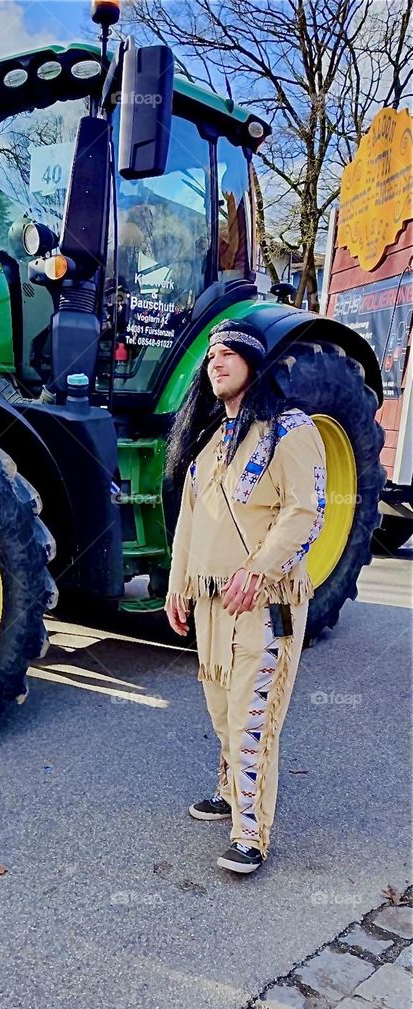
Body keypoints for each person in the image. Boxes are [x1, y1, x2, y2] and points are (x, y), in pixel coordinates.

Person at [165, 319, 327, 875]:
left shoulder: (291, 429)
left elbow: (306, 513)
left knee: (253, 718)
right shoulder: (209, 444)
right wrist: (176, 586)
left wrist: (258, 570)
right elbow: (189, 521)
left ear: (255, 366)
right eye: (211, 356)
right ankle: (231, 792)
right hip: (212, 605)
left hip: (264, 604)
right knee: (220, 708)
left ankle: (250, 833)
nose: (217, 361)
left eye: (231, 353)